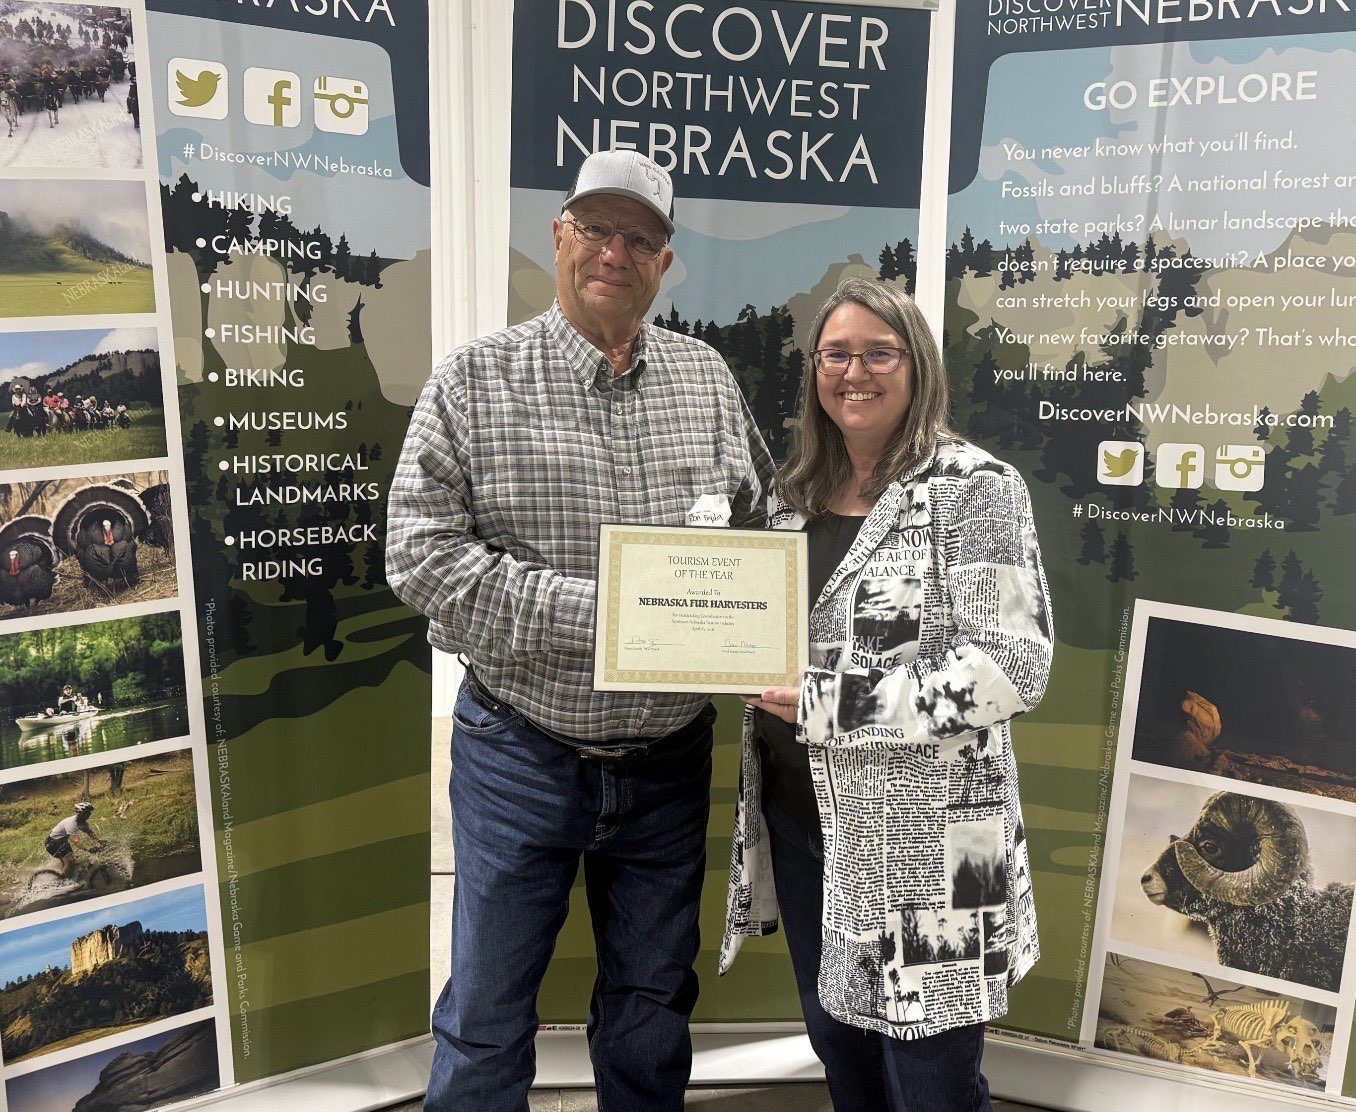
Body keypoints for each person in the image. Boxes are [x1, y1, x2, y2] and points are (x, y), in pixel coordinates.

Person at [387, 148, 774, 1112]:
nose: (616, 251)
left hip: (669, 764)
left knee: (650, 1006)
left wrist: (759, 619)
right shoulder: (475, 381)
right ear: (559, 237)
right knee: (485, 1016)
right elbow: (420, 555)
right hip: (521, 751)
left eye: (639, 237)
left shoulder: (707, 381)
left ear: (664, 263)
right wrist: (609, 616)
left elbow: (762, 526)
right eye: (597, 228)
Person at [720, 278, 1054, 1111]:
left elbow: (1014, 665)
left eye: (878, 352)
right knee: (844, 1053)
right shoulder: (792, 497)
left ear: (918, 366)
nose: (854, 371)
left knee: (933, 1083)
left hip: (931, 846)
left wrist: (842, 702)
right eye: (836, 353)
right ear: (814, 371)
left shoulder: (975, 489)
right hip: (807, 827)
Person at [45, 801, 105, 879]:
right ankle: (67, 882)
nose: (89, 814)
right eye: (87, 813)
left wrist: (100, 841)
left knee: (72, 861)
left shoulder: (83, 823)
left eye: (89, 812)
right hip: (52, 843)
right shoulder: (71, 823)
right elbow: (76, 841)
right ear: (80, 813)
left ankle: (63, 875)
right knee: (70, 861)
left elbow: (90, 832)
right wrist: (89, 849)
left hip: (62, 842)